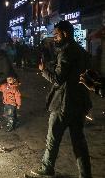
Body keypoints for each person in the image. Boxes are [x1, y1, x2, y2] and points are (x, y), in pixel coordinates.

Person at [31, 20, 92, 177]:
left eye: (56, 35)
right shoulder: (81, 50)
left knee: (53, 139)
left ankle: (47, 168)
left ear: (65, 34)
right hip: (79, 103)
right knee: (79, 142)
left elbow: (58, 79)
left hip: (64, 104)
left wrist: (44, 70)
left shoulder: (66, 52)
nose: (54, 38)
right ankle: (85, 174)